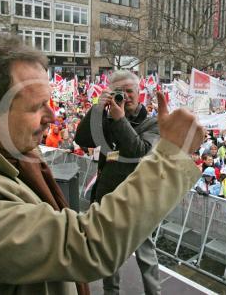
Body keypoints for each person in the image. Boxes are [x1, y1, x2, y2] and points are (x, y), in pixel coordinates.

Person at [0, 34, 205, 295]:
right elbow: (86, 246)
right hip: (113, 200)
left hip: (132, 204)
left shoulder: (0, 146)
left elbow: (138, 150)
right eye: (36, 107)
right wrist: (170, 153)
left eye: (50, 103)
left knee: (144, 255)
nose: (53, 117)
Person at [75, 70, 164, 295]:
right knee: (107, 252)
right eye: (119, 92)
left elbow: (139, 151)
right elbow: (82, 139)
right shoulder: (107, 118)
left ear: (139, 93)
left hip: (138, 199)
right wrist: (97, 109)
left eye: (129, 91)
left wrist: (119, 119)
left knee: (146, 254)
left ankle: (154, 293)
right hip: (108, 196)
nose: (125, 96)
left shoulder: (153, 123)